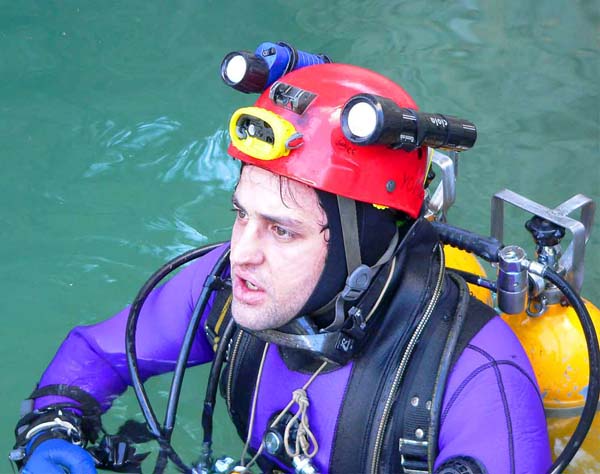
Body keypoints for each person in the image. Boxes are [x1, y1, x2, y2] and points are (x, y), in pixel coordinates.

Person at [11, 61, 552, 473]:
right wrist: (51, 431)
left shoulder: (479, 383)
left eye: (282, 230)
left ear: (361, 247)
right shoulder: (226, 288)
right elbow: (97, 354)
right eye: (241, 214)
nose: (241, 253)